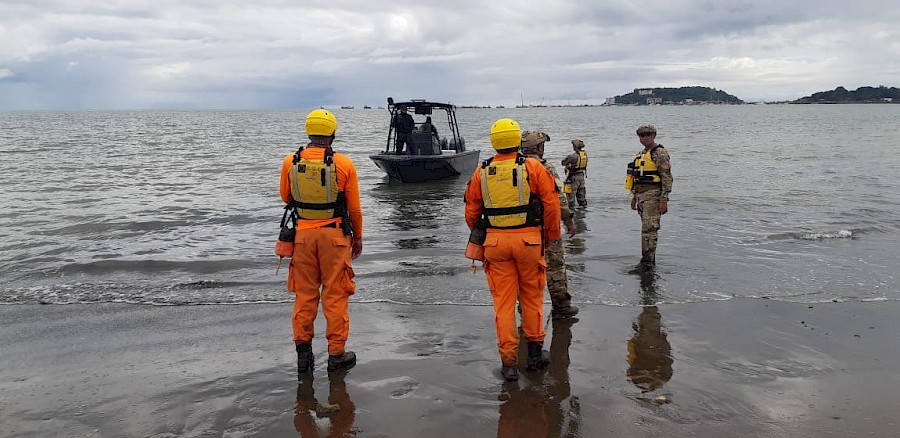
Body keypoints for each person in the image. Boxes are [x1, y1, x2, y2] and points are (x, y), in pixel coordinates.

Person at [464, 118, 561, 382]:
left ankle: (508, 364)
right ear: (517, 140)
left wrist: (486, 235)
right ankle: (534, 355)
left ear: (494, 142)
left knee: (503, 304)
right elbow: (551, 205)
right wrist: (550, 237)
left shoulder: (481, 171)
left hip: (495, 244)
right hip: (530, 242)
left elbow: (471, 211)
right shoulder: (533, 167)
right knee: (532, 298)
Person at [279, 109, 363, 377]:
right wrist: (358, 237)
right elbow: (355, 209)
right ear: (332, 133)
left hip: (302, 237)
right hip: (336, 237)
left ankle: (304, 356)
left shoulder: (290, 161)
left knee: (304, 295)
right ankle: (336, 355)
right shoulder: (344, 164)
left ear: (309, 132)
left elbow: (286, 197)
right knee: (335, 295)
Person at [520, 130, 579, 320]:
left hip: (520, 230)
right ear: (539, 147)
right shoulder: (546, 168)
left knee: (526, 271)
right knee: (555, 266)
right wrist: (569, 221)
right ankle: (561, 306)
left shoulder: (513, 167)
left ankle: (525, 307)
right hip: (546, 229)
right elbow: (559, 199)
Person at [626, 124, 673, 269]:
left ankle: (647, 263)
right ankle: (648, 261)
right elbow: (635, 177)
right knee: (646, 229)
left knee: (649, 229)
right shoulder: (641, 154)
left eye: (647, 135)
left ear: (653, 136)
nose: (644, 138)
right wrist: (634, 197)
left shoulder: (659, 153)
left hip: (653, 195)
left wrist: (664, 199)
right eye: (641, 135)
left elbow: (666, 177)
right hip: (641, 195)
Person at [561, 139, 589, 209]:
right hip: (581, 177)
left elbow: (563, 162)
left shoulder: (573, 156)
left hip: (574, 177)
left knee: (571, 197)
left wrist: (569, 165)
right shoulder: (584, 155)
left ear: (574, 146)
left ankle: (572, 213)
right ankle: (583, 212)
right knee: (581, 197)